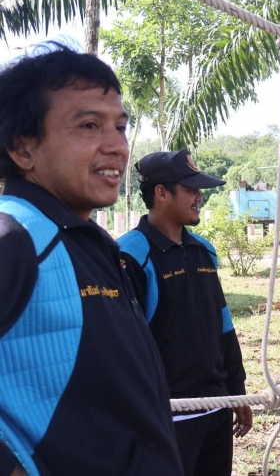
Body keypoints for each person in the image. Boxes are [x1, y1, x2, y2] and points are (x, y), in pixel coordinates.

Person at [0, 44, 183, 475]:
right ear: (22, 148)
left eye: (120, 127)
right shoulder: (16, 238)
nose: (117, 146)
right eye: (88, 125)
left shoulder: (90, 242)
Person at [118, 149, 251, 476]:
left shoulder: (204, 251)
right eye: (191, 190)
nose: (199, 197)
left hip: (216, 408)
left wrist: (237, 391)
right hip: (166, 415)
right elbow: (123, 347)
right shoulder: (130, 255)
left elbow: (223, 325)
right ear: (161, 193)